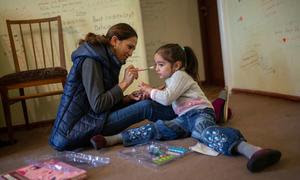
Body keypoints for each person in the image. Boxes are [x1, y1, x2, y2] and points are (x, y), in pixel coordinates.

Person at [90, 44, 281, 173]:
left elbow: (166, 99)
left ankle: (252, 150)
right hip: (183, 117)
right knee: (158, 128)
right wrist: (149, 94)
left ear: (177, 65)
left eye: (161, 64)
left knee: (204, 132)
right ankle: (112, 139)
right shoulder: (172, 79)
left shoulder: (181, 75)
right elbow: (165, 99)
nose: (156, 68)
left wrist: (151, 89)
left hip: (199, 112)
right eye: (155, 64)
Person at [49, 23, 177, 151]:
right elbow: (98, 105)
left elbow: (102, 102)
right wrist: (125, 83)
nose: (131, 53)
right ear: (115, 41)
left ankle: (181, 110)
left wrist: (127, 99)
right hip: (71, 133)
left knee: (145, 100)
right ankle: (184, 117)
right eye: (129, 47)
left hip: (93, 119)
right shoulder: (91, 61)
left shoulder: (104, 58)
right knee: (146, 107)